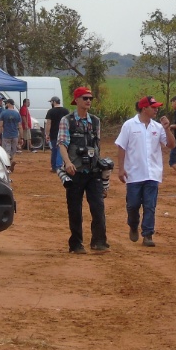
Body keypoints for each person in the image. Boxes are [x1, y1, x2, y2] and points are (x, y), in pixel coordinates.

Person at [115, 96, 174, 247]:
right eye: (153, 107)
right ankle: (133, 224)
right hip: (134, 173)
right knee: (133, 204)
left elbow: (171, 145)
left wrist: (167, 129)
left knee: (150, 205)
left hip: (152, 173)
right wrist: (121, 168)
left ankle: (148, 234)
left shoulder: (158, 127)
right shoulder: (129, 125)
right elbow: (121, 147)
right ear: (144, 108)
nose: (156, 109)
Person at [58, 87, 108, 254]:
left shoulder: (95, 121)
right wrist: (67, 163)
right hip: (75, 171)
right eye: (85, 98)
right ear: (77, 100)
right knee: (75, 209)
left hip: (93, 171)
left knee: (98, 207)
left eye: (90, 98)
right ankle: (76, 244)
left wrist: (102, 169)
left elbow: (97, 145)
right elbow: (62, 144)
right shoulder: (67, 120)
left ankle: (99, 241)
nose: (88, 101)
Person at [45, 96, 70, 172]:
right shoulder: (66, 111)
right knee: (60, 149)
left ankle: (55, 167)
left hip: (53, 134)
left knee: (54, 150)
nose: (51, 103)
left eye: (51, 102)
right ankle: (58, 166)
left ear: (54, 102)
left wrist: (47, 134)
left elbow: (48, 123)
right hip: (63, 133)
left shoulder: (51, 111)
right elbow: (69, 122)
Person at [0, 99, 23, 170]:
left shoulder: (3, 113)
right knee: (13, 151)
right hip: (15, 135)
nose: (5, 104)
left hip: (6, 135)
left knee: (6, 151)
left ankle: (7, 165)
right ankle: (11, 161)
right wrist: (21, 137)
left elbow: (0, 125)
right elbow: (20, 126)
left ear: (9, 104)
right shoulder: (17, 114)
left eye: (6, 103)